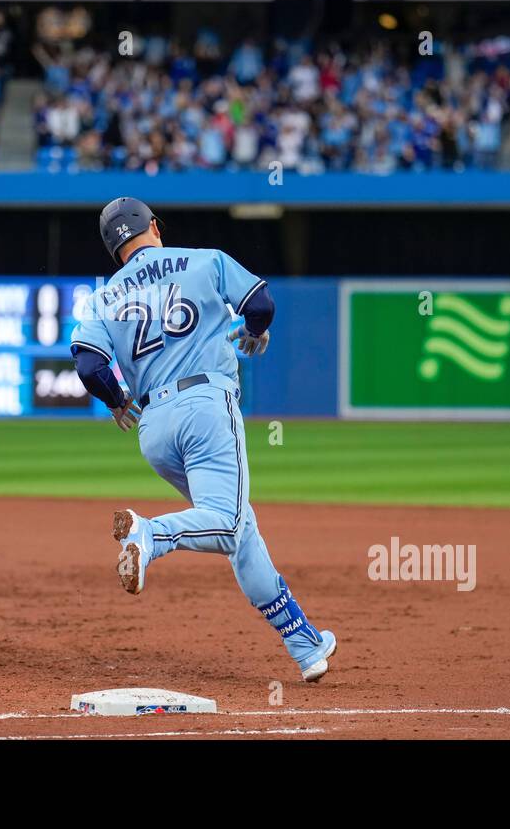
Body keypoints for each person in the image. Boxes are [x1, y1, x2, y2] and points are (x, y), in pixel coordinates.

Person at [69, 198, 337, 683]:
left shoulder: (102, 298)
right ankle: (149, 535)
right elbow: (260, 304)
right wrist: (255, 332)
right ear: (153, 226)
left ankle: (305, 644)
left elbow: (88, 365)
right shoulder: (204, 259)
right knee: (229, 526)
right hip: (206, 405)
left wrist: (115, 401)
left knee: (241, 530)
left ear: (114, 248)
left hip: (153, 428)